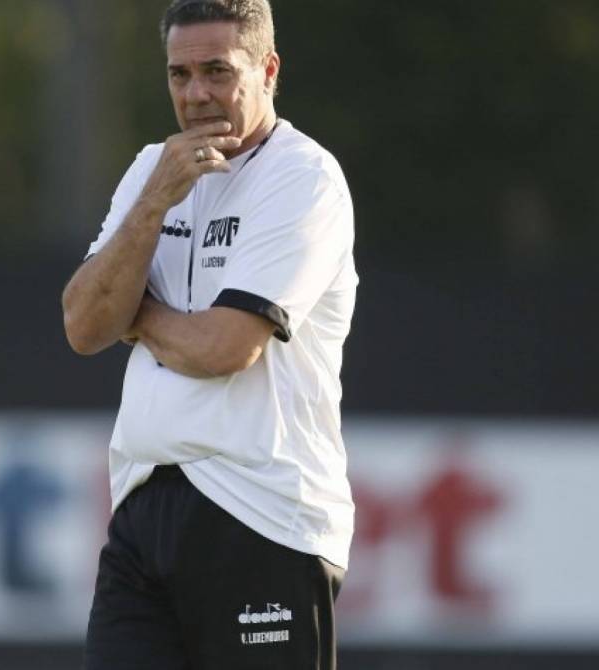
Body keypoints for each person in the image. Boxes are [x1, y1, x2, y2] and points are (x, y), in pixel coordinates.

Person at [61, 1, 357, 668]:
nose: (197, 94)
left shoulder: (303, 177)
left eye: (218, 71)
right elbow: (82, 325)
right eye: (181, 74)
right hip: (141, 508)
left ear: (269, 70)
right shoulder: (152, 173)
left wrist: (136, 319)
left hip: (261, 510)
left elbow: (228, 347)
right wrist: (155, 201)